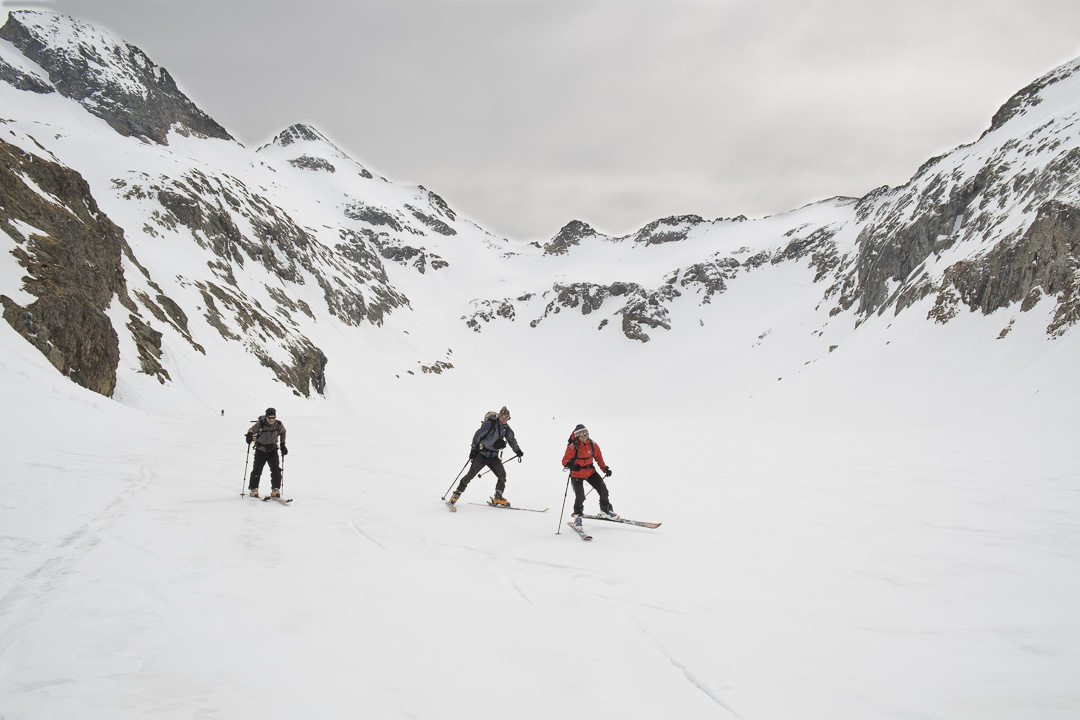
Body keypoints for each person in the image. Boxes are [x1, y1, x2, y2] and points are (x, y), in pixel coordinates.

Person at [449, 406, 523, 507]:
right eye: (503, 416)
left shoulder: (506, 428)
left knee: (502, 475)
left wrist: (517, 450)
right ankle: (456, 494)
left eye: (507, 417)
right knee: (470, 476)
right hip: (481, 455)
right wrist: (473, 450)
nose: (505, 419)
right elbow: (477, 436)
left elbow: (511, 440)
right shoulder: (490, 424)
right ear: (499, 416)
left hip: (493, 457)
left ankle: (498, 497)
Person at [563, 424, 618, 524]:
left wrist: (605, 469)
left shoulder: (592, 444)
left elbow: (598, 458)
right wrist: (569, 464)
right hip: (577, 474)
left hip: (590, 472)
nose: (585, 437)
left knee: (603, 490)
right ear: (577, 436)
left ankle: (605, 510)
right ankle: (578, 516)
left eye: (586, 434)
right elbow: (564, 461)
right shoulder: (572, 447)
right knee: (580, 497)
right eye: (582, 435)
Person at [245, 407, 287, 498]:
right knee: (257, 470)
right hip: (261, 450)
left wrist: (283, 444)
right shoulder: (260, 424)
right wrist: (249, 435)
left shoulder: (278, 424)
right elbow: (251, 430)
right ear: (266, 417)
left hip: (273, 450)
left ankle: (275, 489)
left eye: (273, 418)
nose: (271, 420)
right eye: (269, 418)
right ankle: (253, 489)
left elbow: (283, 432)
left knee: (276, 469)